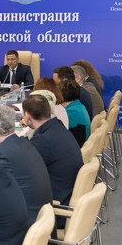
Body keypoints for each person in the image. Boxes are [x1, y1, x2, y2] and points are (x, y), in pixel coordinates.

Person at [22, 94, 82, 227]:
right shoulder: (57, 127)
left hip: (54, 211)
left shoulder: (43, 141)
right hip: (66, 196)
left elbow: (22, 168)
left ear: (27, 116)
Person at [59, 79, 91, 146]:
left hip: (78, 146)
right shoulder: (78, 106)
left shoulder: (71, 112)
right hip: (80, 143)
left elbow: (57, 130)